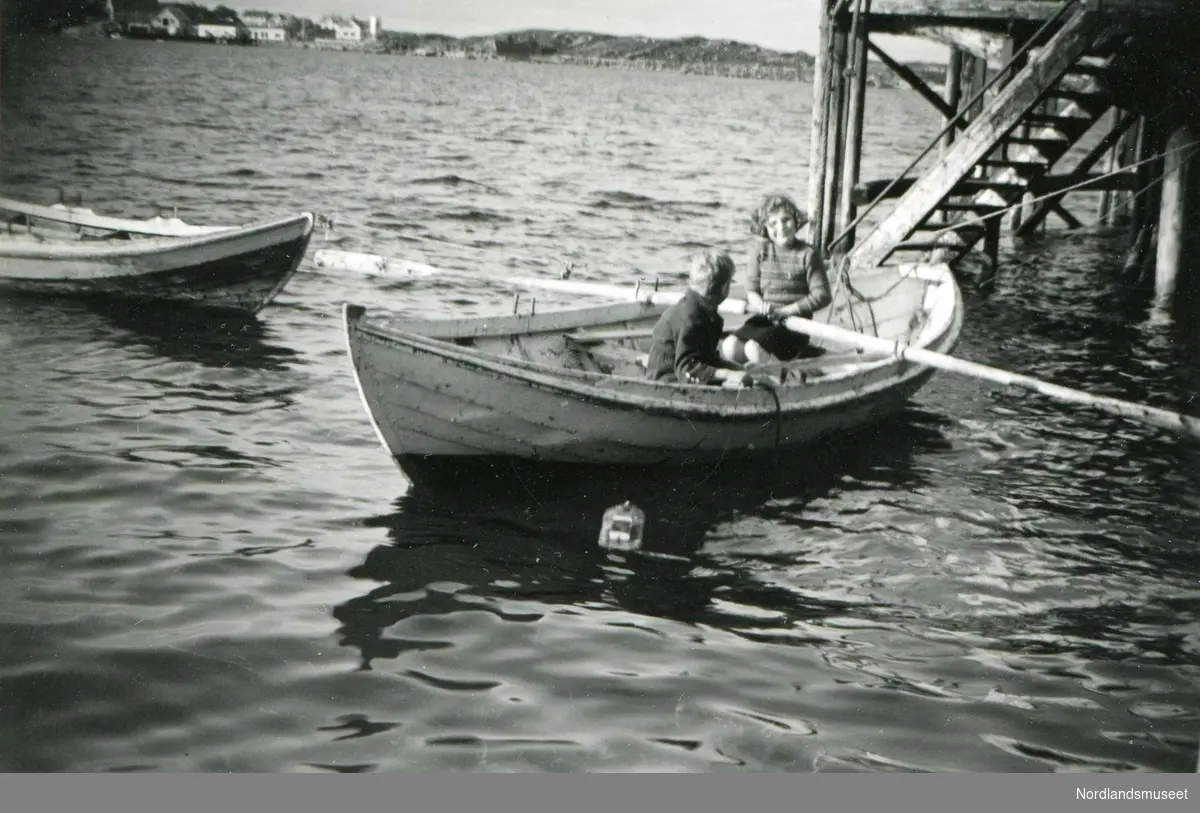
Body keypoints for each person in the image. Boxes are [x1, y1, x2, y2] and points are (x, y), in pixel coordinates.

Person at [720, 194, 831, 366]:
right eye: (773, 223)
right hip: (766, 320)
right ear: (764, 227)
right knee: (729, 346)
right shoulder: (760, 251)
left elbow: (822, 295)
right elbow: (752, 290)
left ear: (796, 221)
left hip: (795, 324)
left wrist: (786, 311)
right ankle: (761, 367)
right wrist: (759, 305)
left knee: (753, 348)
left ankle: (781, 372)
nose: (781, 227)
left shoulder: (808, 254)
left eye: (786, 220)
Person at [645, 250, 754, 387]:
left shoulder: (704, 313)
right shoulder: (691, 319)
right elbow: (687, 369)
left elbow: (709, 360)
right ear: (724, 288)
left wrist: (737, 369)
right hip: (668, 382)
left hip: (686, 377)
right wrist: (727, 374)